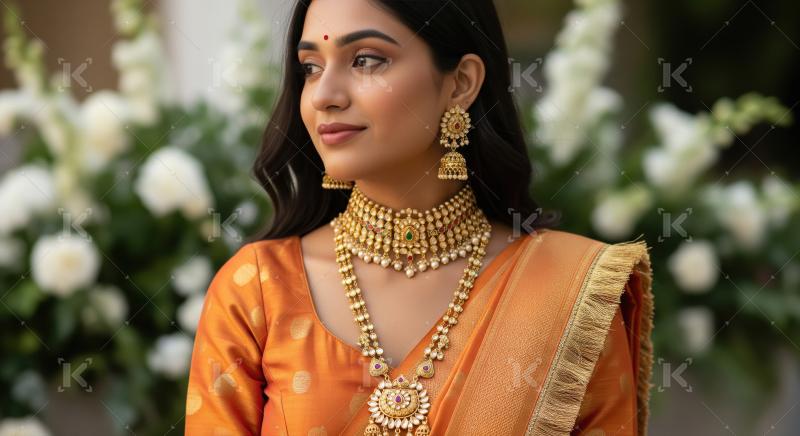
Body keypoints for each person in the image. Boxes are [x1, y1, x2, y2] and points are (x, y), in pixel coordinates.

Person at [185, 0, 653, 435]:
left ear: (461, 83)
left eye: (366, 59)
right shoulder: (259, 289)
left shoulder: (565, 290)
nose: (324, 95)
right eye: (310, 67)